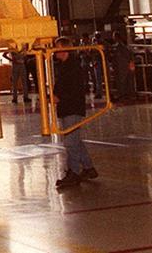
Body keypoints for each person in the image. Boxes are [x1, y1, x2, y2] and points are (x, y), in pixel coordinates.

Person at [52, 37, 97, 190]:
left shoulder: (73, 67)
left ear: (64, 49)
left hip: (72, 108)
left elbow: (75, 89)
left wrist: (59, 97)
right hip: (67, 107)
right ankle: (88, 167)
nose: (54, 50)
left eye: (57, 47)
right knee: (75, 139)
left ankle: (74, 172)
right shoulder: (65, 66)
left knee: (70, 142)